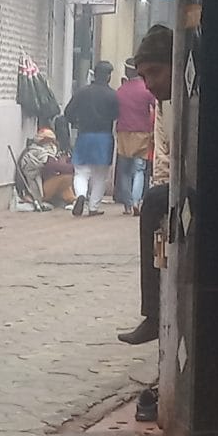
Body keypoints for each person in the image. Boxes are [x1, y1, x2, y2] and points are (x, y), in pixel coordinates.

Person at [120, 28, 175, 354]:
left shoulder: (191, 99)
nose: (150, 83)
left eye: (155, 72)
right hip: (173, 186)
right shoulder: (164, 104)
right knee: (155, 203)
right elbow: (166, 155)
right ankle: (154, 311)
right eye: (143, 76)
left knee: (154, 202)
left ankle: (154, 313)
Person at [63, 61, 119, 216]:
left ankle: (80, 195)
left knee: (81, 172)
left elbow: (68, 112)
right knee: (100, 175)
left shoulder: (82, 92)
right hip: (104, 138)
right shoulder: (113, 95)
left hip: (84, 136)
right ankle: (93, 207)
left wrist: (76, 122)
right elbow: (116, 115)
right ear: (108, 76)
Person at [114, 45, 157, 215]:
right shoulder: (146, 89)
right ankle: (136, 201)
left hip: (123, 132)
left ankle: (127, 204)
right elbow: (156, 108)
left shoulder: (120, 91)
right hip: (142, 133)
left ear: (127, 71)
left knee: (124, 171)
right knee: (139, 169)